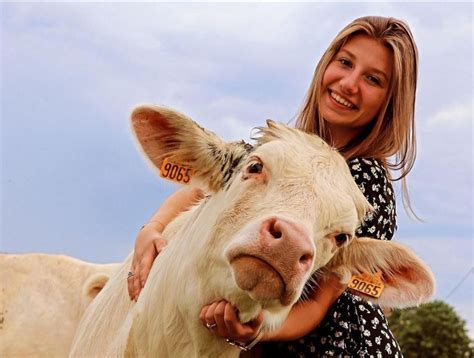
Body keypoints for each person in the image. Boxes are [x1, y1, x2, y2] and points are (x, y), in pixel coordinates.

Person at [128, 15, 419, 357]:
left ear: (390, 101)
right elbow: (211, 185)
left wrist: (257, 327)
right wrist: (152, 229)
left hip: (337, 347)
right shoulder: (284, 148)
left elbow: (321, 302)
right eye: (345, 63)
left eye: (372, 79)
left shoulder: (365, 181)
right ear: (327, 63)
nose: (349, 84)